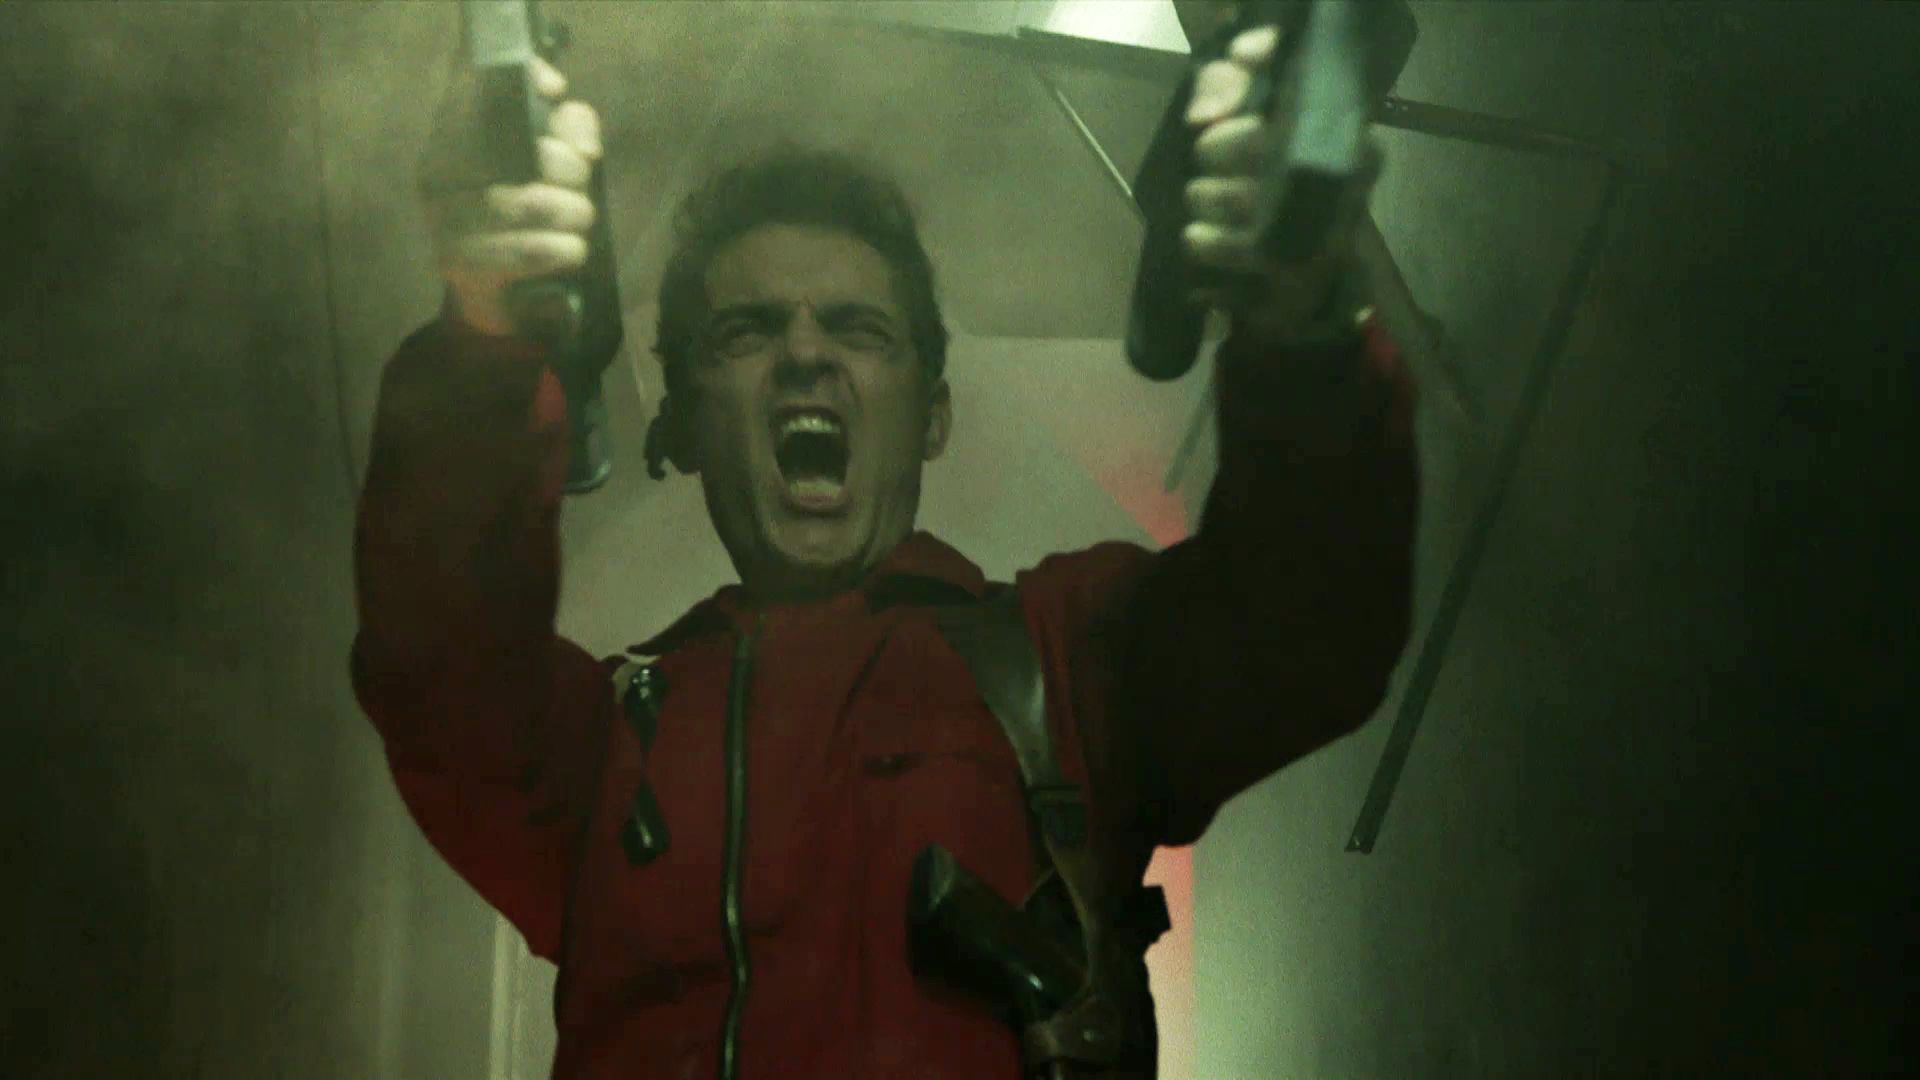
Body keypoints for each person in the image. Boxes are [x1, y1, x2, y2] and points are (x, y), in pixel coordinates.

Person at [351, 23, 1417, 1080]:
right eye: (747, 331)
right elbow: (435, 651)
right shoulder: (602, 747)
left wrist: (1303, 317)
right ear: (681, 422)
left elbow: (1306, 615)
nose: (805, 352)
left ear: (931, 416)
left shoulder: (1064, 664)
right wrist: (484, 331)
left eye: (859, 329)